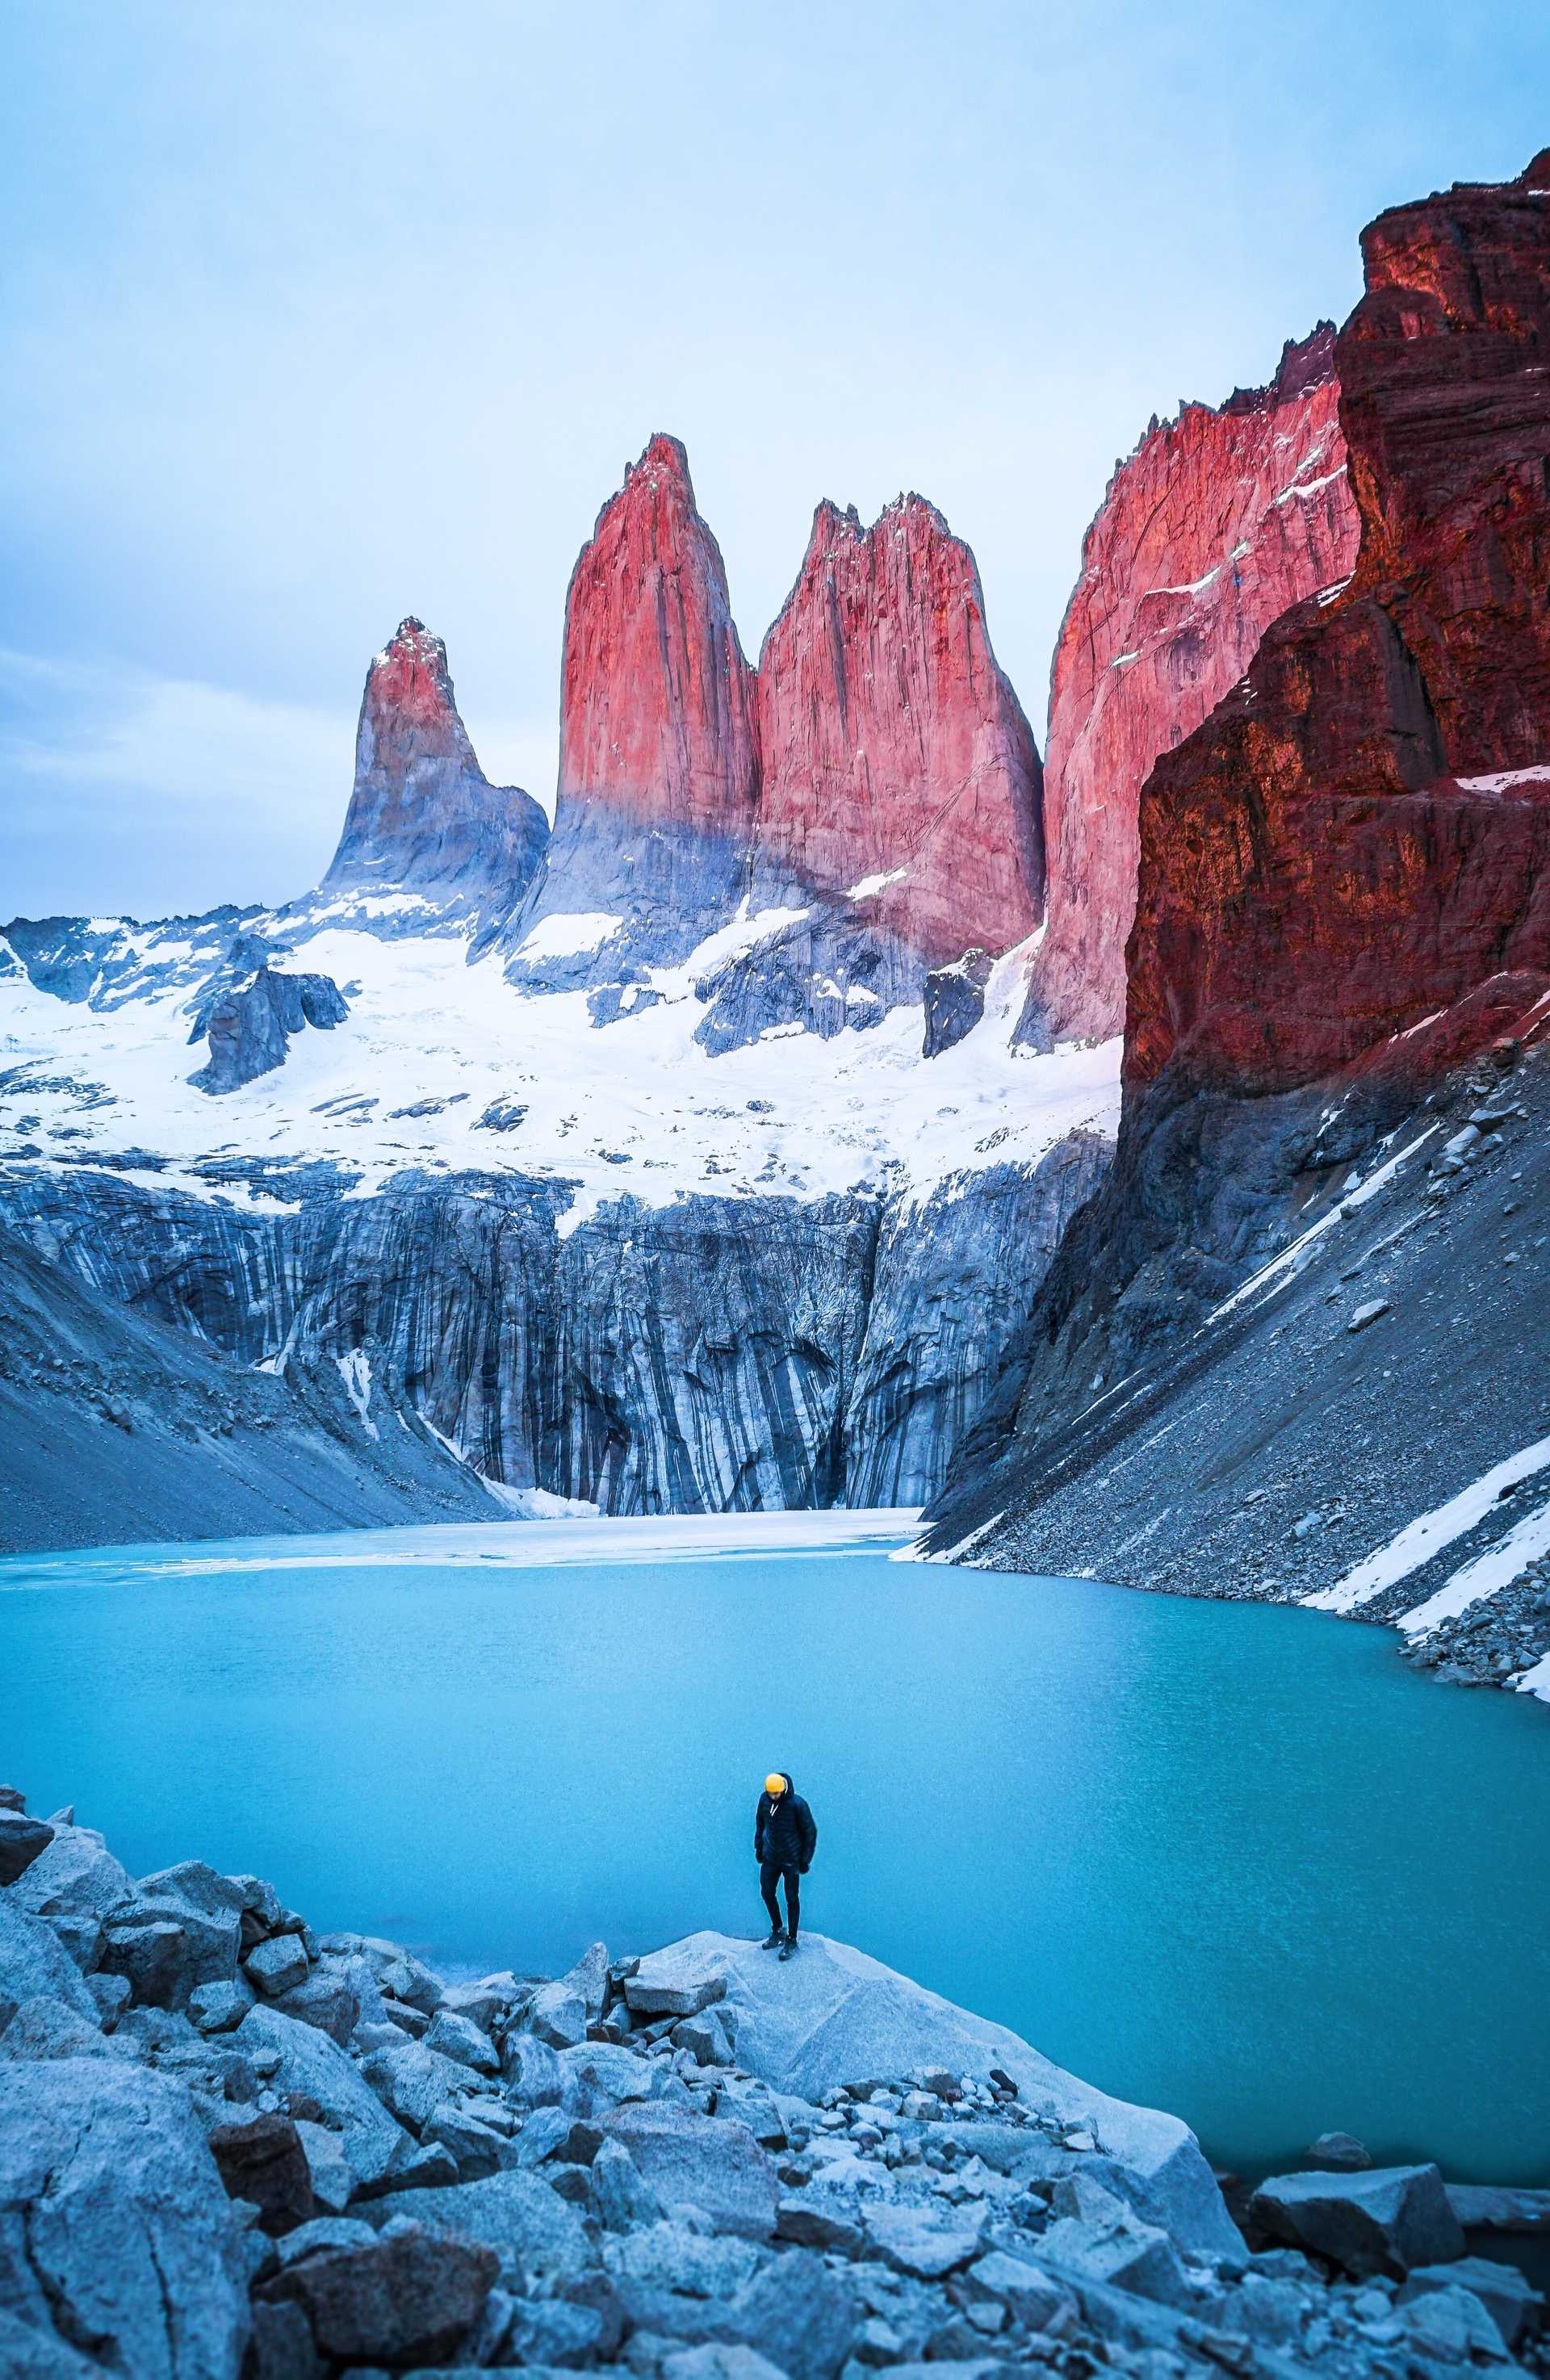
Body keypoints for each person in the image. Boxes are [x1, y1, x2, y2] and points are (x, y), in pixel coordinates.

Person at [754, 1770, 816, 1960]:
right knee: (766, 1892)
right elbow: (760, 1824)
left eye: (776, 1794)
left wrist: (805, 1860)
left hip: (791, 1860)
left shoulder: (797, 1805)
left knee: (791, 1898)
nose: (773, 1797)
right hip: (770, 1857)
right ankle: (778, 1930)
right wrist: (758, 1848)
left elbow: (810, 1832)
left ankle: (792, 1940)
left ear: (783, 1789)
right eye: (770, 1794)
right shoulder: (765, 1801)